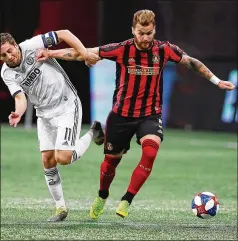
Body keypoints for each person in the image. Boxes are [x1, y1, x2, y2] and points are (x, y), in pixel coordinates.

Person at [37, 10, 235, 219]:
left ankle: (126, 200)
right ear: (133, 31)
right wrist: (51, 54)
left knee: (150, 153)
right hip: (121, 116)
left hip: (150, 115)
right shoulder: (122, 49)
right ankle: (102, 196)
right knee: (110, 163)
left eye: (149, 33)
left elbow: (191, 62)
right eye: (141, 33)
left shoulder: (164, 49)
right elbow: (82, 52)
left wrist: (217, 81)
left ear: (154, 30)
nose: (145, 38)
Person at [0, 30, 105, 222]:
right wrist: (19, 112)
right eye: (3, 55)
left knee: (63, 157)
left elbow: (64, 33)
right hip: (44, 114)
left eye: (9, 50)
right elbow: (20, 97)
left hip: (66, 105)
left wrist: (84, 53)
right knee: (48, 161)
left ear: (15, 45)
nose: (9, 56)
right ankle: (60, 208)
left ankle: (93, 132)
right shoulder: (6, 72)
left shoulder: (32, 45)